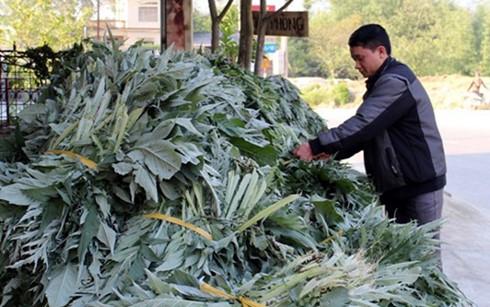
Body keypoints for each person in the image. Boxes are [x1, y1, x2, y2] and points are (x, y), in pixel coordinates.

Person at [293, 24, 447, 236]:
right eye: (354, 59)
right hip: (399, 186)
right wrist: (330, 152)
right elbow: (370, 134)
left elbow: (363, 125)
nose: (356, 65)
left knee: (424, 260)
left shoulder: (395, 82)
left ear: (381, 52)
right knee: (403, 256)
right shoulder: (382, 81)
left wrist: (315, 145)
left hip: (417, 186)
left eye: (360, 58)